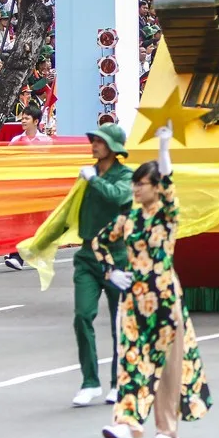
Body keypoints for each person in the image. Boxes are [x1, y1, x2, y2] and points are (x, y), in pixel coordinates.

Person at [97, 122, 211, 438]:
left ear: (156, 187)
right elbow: (100, 243)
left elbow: (170, 182)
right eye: (134, 184)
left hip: (164, 296)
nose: (136, 189)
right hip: (134, 298)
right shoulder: (128, 218)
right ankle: (127, 424)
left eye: (142, 184)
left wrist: (163, 149)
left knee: (168, 364)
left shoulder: (167, 215)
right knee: (132, 358)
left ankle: (166, 425)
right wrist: (111, 272)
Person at [71, 123, 133, 408]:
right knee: (83, 316)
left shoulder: (126, 175)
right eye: (93, 140)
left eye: (100, 141)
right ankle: (90, 382)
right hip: (87, 257)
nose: (94, 144)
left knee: (119, 325)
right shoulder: (88, 172)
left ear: (113, 147)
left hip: (117, 257)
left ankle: (117, 383)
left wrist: (93, 180)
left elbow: (119, 197)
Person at [3, 105, 52, 272]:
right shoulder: (16, 141)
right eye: (22, 118)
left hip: (39, 188)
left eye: (26, 118)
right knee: (18, 221)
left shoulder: (46, 141)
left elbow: (50, 164)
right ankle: (15, 256)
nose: (23, 121)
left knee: (39, 222)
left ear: (36, 121)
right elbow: (8, 163)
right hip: (21, 187)